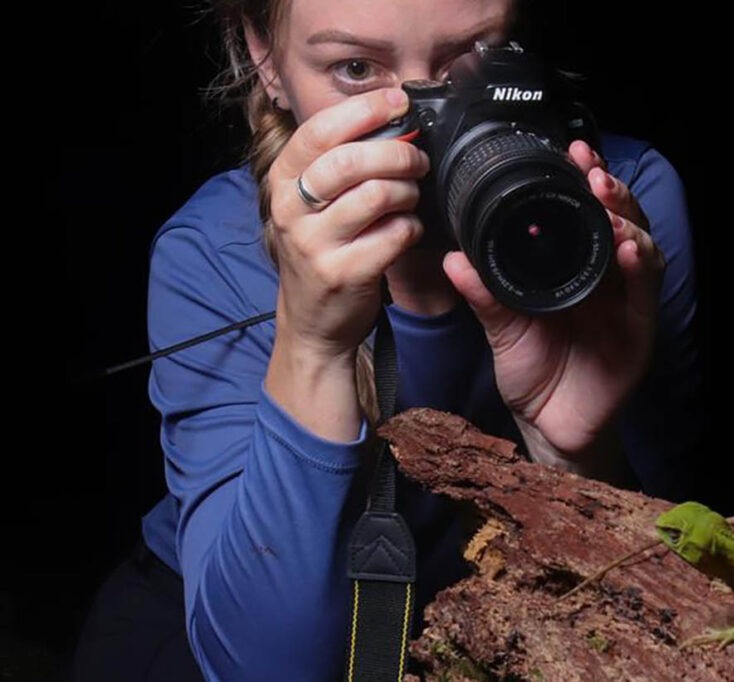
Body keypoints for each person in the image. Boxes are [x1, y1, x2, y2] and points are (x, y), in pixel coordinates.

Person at [71, 0, 701, 679]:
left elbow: (670, 613)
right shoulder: (212, 251)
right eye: (354, 67)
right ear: (263, 56)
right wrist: (313, 347)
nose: (420, 118)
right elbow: (268, 668)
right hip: (221, 616)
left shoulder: (619, 205)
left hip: (497, 625)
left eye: (469, 62)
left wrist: (575, 456)